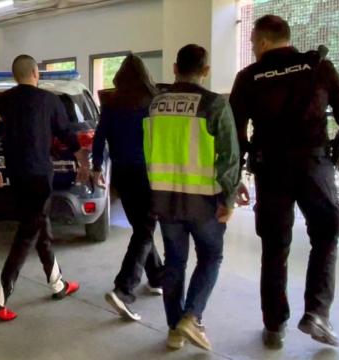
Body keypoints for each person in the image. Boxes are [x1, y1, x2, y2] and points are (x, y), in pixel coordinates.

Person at [230, 15, 339, 348]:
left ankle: (274, 327)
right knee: (328, 231)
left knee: (274, 248)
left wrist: (242, 166)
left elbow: (235, 132)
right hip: (314, 165)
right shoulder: (319, 67)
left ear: (261, 42)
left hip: (270, 169)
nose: (251, 48)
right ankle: (317, 312)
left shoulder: (248, 77)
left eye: (251, 43)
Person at [144, 44, 240, 351]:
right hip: (204, 201)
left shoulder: (155, 104)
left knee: (175, 261)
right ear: (206, 71)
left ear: (174, 68)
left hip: (165, 198)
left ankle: (175, 330)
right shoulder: (214, 104)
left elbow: (147, 150)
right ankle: (192, 317)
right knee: (211, 256)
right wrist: (230, 198)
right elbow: (229, 157)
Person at [0, 55, 90, 321]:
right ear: (34, 73)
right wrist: (82, 158)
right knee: (28, 232)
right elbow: (66, 134)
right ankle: (0, 295)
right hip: (40, 177)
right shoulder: (49, 101)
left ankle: (58, 283)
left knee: (41, 229)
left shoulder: (2, 101)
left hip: (16, 176)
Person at [92, 54, 163, 322]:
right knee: (145, 229)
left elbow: (100, 139)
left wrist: (97, 167)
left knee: (142, 228)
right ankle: (123, 289)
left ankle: (157, 277)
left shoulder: (111, 104)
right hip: (148, 175)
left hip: (122, 175)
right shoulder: (153, 103)